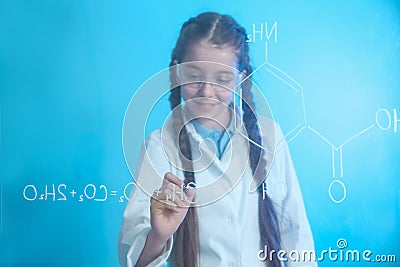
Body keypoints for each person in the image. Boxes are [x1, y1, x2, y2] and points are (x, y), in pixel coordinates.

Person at [118, 12, 317, 267]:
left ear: (240, 78)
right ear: (177, 72)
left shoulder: (269, 137)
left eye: (222, 79)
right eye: (194, 77)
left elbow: (297, 236)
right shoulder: (159, 148)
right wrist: (159, 235)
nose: (207, 92)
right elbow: (131, 260)